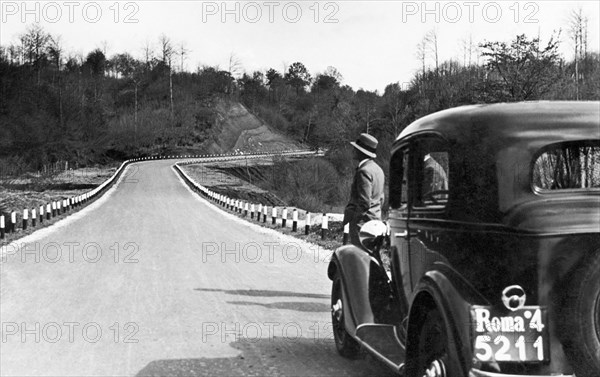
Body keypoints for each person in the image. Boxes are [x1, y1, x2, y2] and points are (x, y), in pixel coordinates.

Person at [343, 133, 385, 248]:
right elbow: (381, 198)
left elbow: (364, 202)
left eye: (355, 149)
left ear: (361, 152)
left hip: (363, 225)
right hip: (376, 222)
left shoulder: (364, 171)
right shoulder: (378, 170)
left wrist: (355, 220)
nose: (353, 151)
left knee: (359, 259)